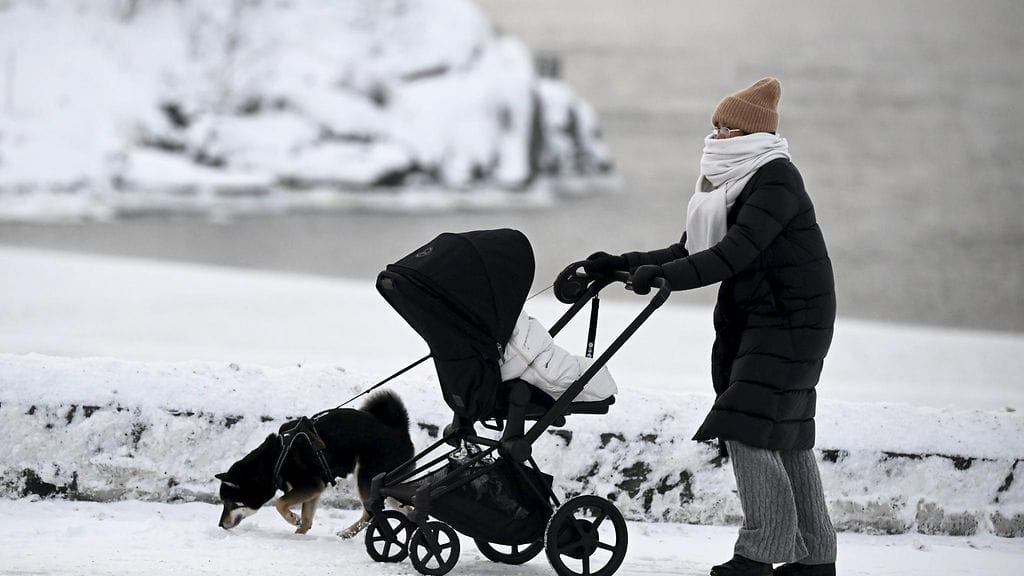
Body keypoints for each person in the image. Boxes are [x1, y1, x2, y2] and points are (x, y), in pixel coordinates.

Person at [569, 78, 837, 576]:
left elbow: (732, 254)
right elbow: (689, 249)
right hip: (766, 316)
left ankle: (759, 554)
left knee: (746, 425)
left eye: (727, 128)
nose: (716, 135)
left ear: (753, 134)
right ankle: (814, 560)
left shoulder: (775, 178)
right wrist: (620, 264)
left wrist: (663, 277)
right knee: (783, 432)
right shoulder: (731, 179)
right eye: (714, 125)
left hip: (792, 318)